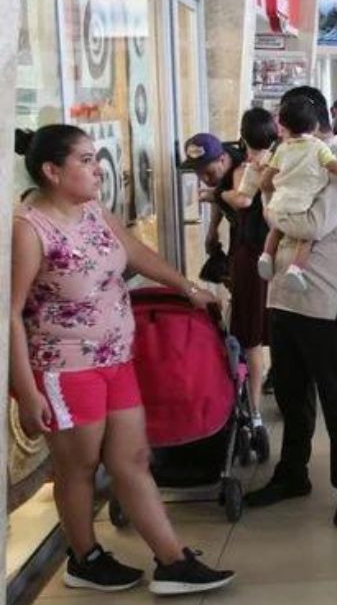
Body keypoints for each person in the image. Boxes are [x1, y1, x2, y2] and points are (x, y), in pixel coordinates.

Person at [10, 125, 234, 595]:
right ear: (52, 171)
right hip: (65, 368)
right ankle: (84, 558)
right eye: (86, 160)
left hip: (117, 358)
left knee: (132, 458)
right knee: (79, 468)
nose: (97, 169)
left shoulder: (92, 210)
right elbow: (9, 315)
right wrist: (27, 393)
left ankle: (173, 562)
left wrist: (184, 286)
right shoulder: (29, 229)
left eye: (96, 158)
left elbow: (133, 251)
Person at [245, 86, 337, 528]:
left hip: (325, 299)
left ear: (313, 121)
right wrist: (273, 204)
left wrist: (271, 207)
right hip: (284, 293)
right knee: (293, 395)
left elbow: (313, 221)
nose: (280, 130)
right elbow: (271, 204)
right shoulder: (296, 157)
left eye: (286, 121)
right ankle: (292, 474)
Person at [184, 111, 277, 434]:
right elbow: (221, 202)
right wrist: (212, 230)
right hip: (251, 252)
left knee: (249, 334)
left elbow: (237, 199)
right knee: (260, 327)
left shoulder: (242, 170)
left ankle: (254, 413)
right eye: (198, 173)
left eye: (207, 171)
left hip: (255, 254)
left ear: (223, 160)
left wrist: (217, 196)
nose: (204, 178)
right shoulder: (230, 165)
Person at [257, 93, 337, 292]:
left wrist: (271, 211)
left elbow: (312, 227)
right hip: (290, 292)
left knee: (286, 230)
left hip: (321, 291)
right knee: (303, 238)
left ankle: (267, 255)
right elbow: (334, 169)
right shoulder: (313, 148)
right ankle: (294, 268)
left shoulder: (290, 149)